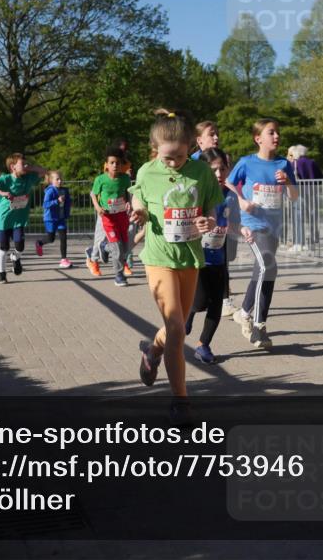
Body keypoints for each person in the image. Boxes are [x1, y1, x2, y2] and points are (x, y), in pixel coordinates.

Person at [130, 110, 222, 423]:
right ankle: (181, 400)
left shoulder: (201, 171)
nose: (174, 163)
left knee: (178, 327)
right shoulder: (146, 171)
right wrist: (139, 212)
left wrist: (208, 220)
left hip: (189, 257)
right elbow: (138, 199)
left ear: (189, 146)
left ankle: (152, 351)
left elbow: (211, 207)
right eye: (167, 158)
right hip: (158, 257)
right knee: (175, 327)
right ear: (155, 150)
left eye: (180, 156)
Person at [227, 117, 297, 351]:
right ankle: (259, 326)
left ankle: (244, 312)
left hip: (273, 226)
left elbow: (294, 196)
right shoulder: (246, 163)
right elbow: (227, 183)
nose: (277, 136)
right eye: (271, 133)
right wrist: (242, 201)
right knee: (268, 268)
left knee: (263, 271)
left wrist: (288, 182)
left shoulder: (283, 165)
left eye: (277, 133)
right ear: (258, 139)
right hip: (253, 225)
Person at [184, 147, 240, 364]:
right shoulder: (197, 194)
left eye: (223, 169)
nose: (219, 174)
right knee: (199, 303)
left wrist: (241, 229)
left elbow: (234, 223)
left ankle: (203, 345)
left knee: (217, 305)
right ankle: (188, 315)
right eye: (214, 170)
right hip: (198, 259)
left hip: (219, 258)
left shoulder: (231, 197)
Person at [0, 153, 47, 284]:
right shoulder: (6, 179)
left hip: (19, 219)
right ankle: (1, 273)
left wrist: (30, 167)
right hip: (4, 219)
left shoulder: (29, 177)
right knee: (4, 247)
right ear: (13, 167)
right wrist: (2, 193)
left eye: (26, 163)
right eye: (22, 164)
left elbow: (44, 171)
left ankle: (15, 257)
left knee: (20, 246)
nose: (26, 166)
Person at [88, 150, 132, 286]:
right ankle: (119, 275)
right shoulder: (100, 179)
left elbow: (127, 193)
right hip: (108, 218)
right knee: (117, 248)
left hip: (122, 216)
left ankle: (104, 246)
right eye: (112, 163)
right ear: (106, 165)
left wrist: (129, 203)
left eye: (117, 163)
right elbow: (93, 194)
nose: (115, 165)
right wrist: (97, 207)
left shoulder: (125, 178)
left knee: (125, 247)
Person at [288, 144, 323, 250]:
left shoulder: (295, 163)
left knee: (299, 216)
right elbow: (319, 176)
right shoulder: (312, 162)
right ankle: (313, 237)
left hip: (300, 192)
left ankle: (299, 242)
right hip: (312, 191)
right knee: (312, 215)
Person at [36, 170, 73, 268]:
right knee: (51, 239)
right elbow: (45, 204)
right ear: (51, 181)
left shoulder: (65, 190)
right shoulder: (50, 191)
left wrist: (67, 212)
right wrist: (57, 201)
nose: (60, 181)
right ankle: (39, 243)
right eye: (57, 179)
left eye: (61, 179)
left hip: (61, 218)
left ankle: (64, 259)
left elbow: (68, 203)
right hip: (50, 219)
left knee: (63, 238)